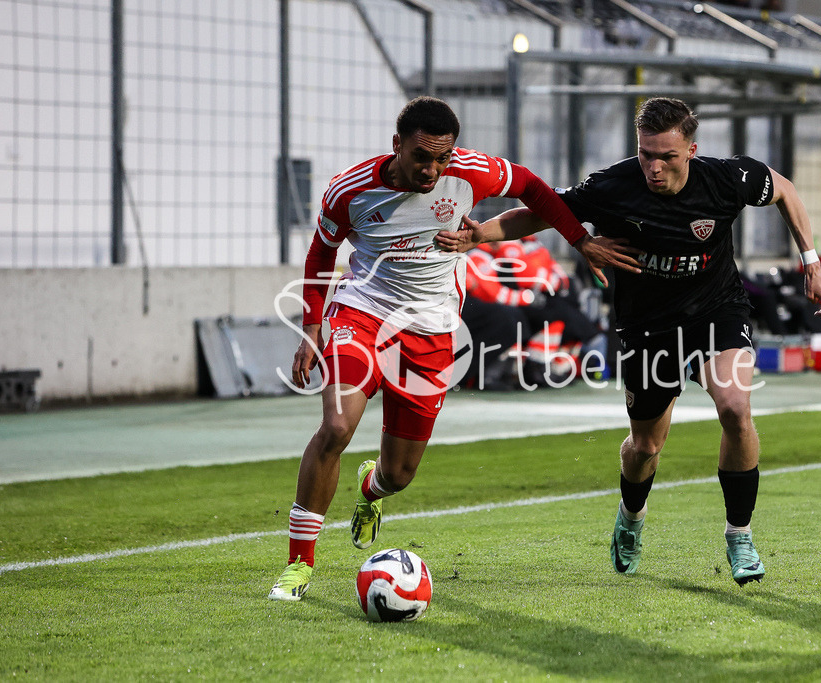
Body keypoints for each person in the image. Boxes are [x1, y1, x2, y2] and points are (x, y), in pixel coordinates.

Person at [437, 97, 821, 586]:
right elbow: (544, 210)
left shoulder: (727, 179)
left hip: (716, 311)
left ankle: (740, 535)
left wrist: (812, 263)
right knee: (646, 445)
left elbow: (786, 191)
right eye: (646, 153)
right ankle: (630, 518)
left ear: (692, 149)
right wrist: (483, 234)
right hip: (647, 326)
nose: (653, 166)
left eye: (666, 156)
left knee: (735, 407)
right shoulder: (613, 185)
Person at [267, 96, 640, 601]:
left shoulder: (471, 172)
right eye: (422, 156)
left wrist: (579, 240)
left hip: (433, 330)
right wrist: (313, 327)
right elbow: (321, 254)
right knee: (336, 427)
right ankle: (298, 566)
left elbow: (533, 186)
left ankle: (370, 489)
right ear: (396, 145)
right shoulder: (349, 190)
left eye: (442, 158)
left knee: (398, 475)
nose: (433, 169)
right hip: (364, 315)